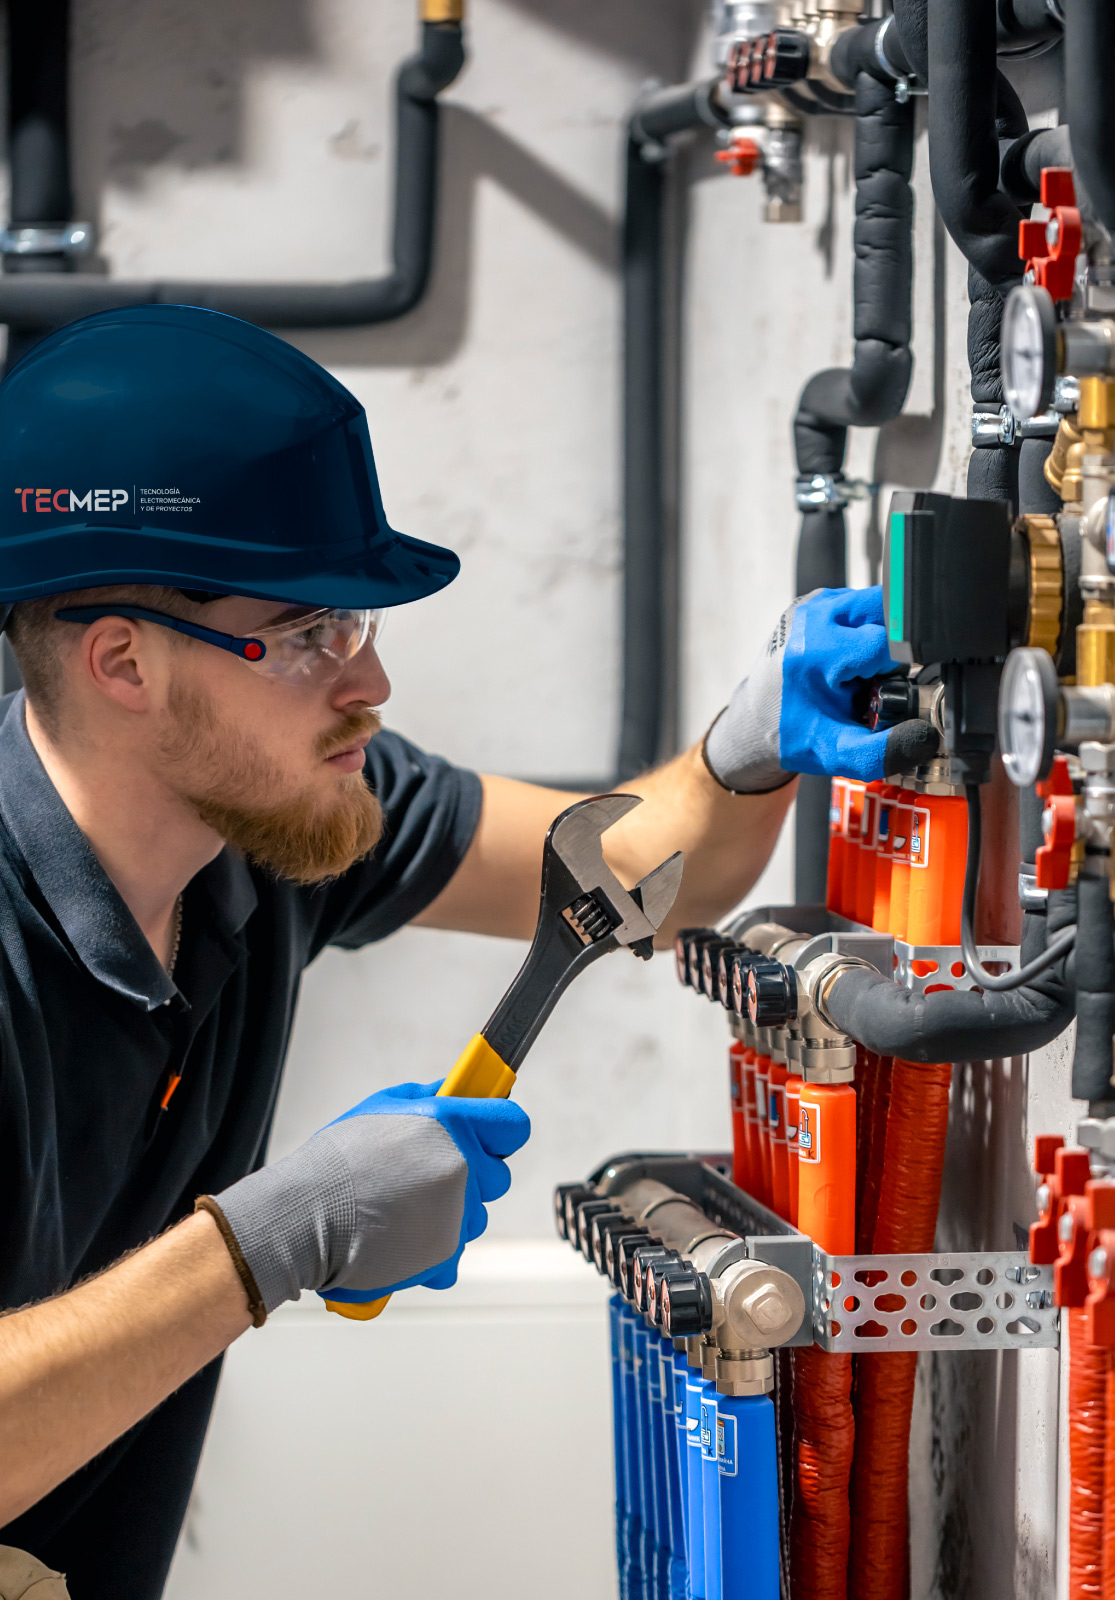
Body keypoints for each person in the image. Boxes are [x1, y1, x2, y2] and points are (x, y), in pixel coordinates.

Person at [0, 306, 934, 1599]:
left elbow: (636, 873)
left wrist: (743, 753)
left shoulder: (279, 821)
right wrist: (273, 1238)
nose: (369, 683)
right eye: (312, 629)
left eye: (364, 626)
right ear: (123, 663)